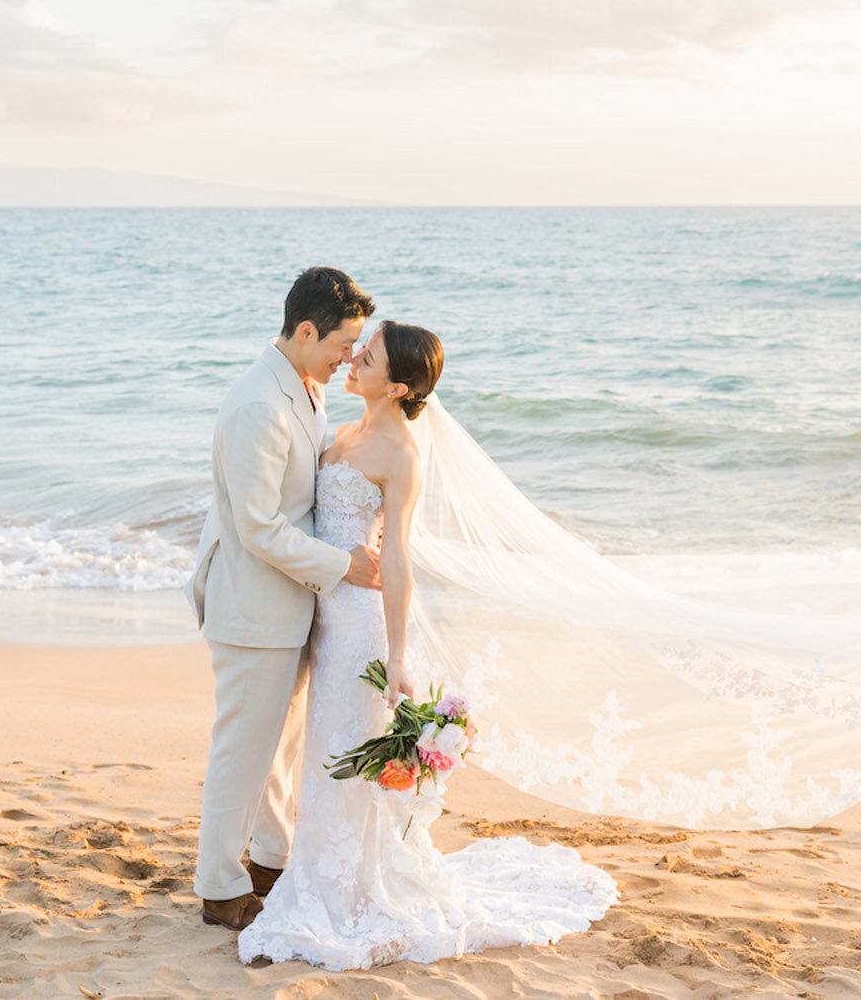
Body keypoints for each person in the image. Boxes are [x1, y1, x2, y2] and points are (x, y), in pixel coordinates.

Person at [237, 321, 619, 969]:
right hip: (320, 618)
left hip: (357, 629)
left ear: (401, 385)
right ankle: (318, 874)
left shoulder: (402, 455)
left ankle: (349, 889)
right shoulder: (342, 430)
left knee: (347, 761)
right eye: (360, 348)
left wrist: (397, 654)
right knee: (321, 758)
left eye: (371, 354)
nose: (355, 357)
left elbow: (400, 560)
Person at [186, 267, 380, 930]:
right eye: (342, 344)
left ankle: (269, 861)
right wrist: (345, 565)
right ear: (305, 331)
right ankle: (219, 888)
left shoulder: (305, 384)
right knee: (243, 751)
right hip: (253, 606)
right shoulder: (258, 408)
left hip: (292, 603)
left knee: (279, 746)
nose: (349, 358)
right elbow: (259, 527)